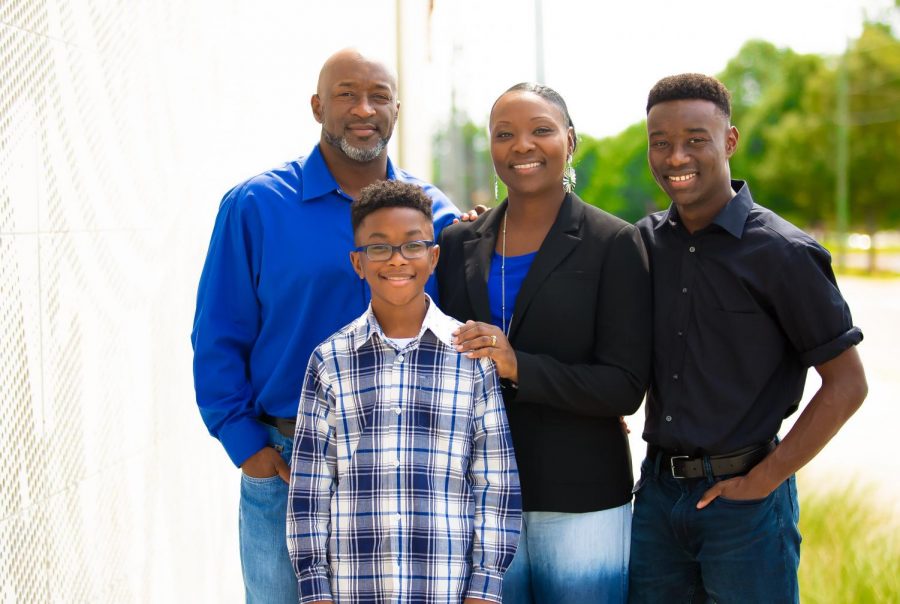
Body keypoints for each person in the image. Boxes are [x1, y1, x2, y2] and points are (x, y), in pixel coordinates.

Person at [190, 49, 461, 603]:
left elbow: (476, 321)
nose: (364, 109)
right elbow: (217, 333)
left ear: (397, 110)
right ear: (317, 106)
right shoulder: (257, 206)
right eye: (346, 94)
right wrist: (247, 447)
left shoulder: (436, 215)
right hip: (285, 466)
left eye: (379, 96)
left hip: (406, 465)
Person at [629, 73, 869, 603]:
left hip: (747, 504)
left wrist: (763, 481)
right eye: (661, 143)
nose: (676, 157)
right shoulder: (642, 246)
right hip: (656, 499)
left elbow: (847, 384)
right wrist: (488, 228)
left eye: (695, 139)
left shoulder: (783, 252)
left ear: (729, 140)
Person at [437, 83, 653, 604]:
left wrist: (519, 367)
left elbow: (624, 388)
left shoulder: (615, 243)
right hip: (477, 498)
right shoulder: (456, 244)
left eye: (541, 130)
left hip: (580, 496)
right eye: (504, 134)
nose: (522, 145)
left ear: (570, 141)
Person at [286, 180, 521, 604]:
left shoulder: (470, 357)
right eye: (379, 248)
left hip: (445, 587)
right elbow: (310, 488)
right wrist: (314, 588)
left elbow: (495, 480)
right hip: (354, 588)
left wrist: (485, 586)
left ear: (433, 257)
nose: (397, 260)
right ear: (358, 262)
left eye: (412, 246)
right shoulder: (329, 361)